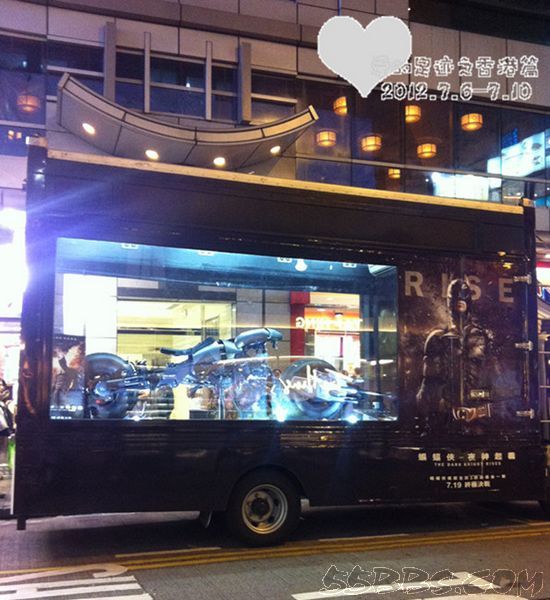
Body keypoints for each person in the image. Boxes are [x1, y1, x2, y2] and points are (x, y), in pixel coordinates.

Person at [416, 278, 494, 434]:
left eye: (463, 296)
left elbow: (496, 381)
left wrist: (484, 411)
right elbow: (427, 387)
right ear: (449, 302)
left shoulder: (482, 337)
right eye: (456, 296)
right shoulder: (437, 338)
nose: (460, 299)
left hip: (478, 420)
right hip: (446, 418)